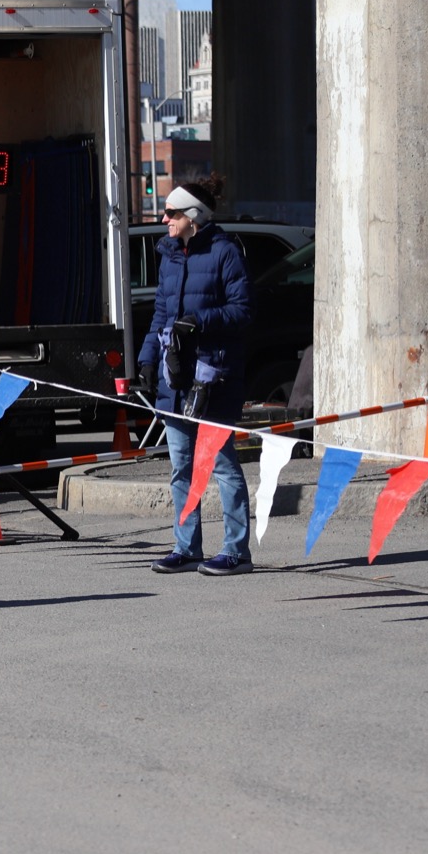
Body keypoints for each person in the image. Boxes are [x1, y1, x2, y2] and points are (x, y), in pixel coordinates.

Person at [136, 176, 254, 576]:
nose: (164, 219)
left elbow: (242, 310)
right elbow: (160, 314)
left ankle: (236, 552)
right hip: (175, 378)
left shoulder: (225, 252)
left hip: (213, 377)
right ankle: (186, 548)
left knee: (221, 465)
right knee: (181, 468)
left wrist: (199, 321)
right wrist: (147, 359)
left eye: (171, 212)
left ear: (193, 216)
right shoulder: (169, 255)